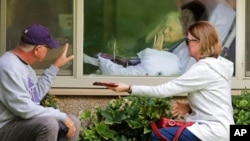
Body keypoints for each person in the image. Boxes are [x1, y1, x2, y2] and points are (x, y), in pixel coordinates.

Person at [105, 21, 234, 141]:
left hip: (211, 131)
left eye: (188, 41)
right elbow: (217, 99)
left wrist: (129, 88)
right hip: (223, 129)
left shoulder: (204, 68)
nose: (186, 44)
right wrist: (190, 107)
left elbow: (164, 91)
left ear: (200, 43)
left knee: (158, 135)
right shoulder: (218, 65)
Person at [84, 0, 208, 76]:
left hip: (133, 72)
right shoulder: (168, 41)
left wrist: (158, 54)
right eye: (164, 26)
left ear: (184, 34)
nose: (164, 31)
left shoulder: (180, 48)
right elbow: (137, 49)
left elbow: (151, 64)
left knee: (98, 60)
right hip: (129, 65)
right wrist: (151, 33)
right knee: (97, 58)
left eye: (169, 29)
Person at [0, 24, 80, 141]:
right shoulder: (8, 66)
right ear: (37, 49)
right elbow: (25, 108)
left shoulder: (25, 67)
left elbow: (35, 96)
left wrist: (55, 66)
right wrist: (61, 116)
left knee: (73, 122)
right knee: (48, 124)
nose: (49, 51)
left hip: (22, 122)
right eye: (48, 48)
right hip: (5, 127)